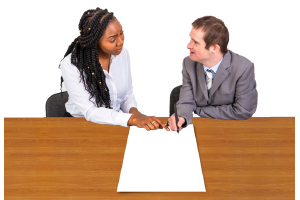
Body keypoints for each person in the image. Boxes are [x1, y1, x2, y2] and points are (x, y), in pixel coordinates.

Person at [59, 7, 169, 131]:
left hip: (113, 124)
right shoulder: (71, 64)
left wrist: (140, 116)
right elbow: (90, 111)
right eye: (112, 40)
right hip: (79, 126)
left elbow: (126, 96)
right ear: (95, 42)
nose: (120, 42)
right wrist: (132, 119)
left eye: (121, 33)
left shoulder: (122, 54)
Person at [168, 16, 258, 131]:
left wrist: (198, 110)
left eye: (195, 42)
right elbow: (186, 100)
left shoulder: (243, 68)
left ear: (214, 48)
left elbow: (243, 111)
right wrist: (183, 117)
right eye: (191, 39)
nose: (188, 45)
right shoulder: (189, 63)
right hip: (201, 129)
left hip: (231, 129)